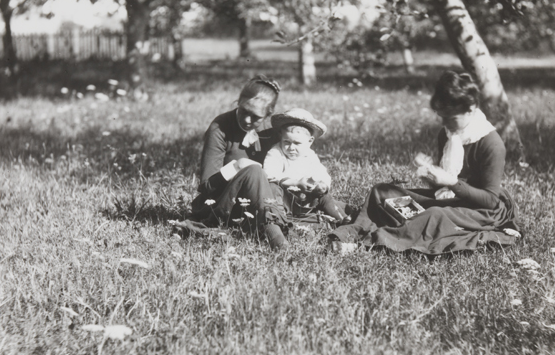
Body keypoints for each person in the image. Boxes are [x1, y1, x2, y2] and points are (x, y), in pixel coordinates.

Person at [329, 71, 521, 255]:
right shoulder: (448, 134)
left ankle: (369, 243)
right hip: (452, 199)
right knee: (382, 192)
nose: (445, 123)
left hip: (481, 211)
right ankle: (355, 231)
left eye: (451, 117)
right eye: (441, 116)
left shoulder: (491, 143)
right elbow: (440, 190)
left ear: (471, 109)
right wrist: (428, 174)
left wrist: (451, 183)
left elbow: (490, 201)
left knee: (434, 215)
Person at [190, 74, 290, 250]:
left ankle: (271, 227)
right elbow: (206, 186)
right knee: (254, 171)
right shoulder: (220, 128)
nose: (247, 120)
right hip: (223, 204)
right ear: (238, 102)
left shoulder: (271, 131)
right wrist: (236, 167)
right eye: (244, 111)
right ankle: (278, 241)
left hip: (262, 203)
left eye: (256, 117)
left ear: (268, 114)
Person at [264, 108, 350, 223]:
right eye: (286, 142)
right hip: (286, 199)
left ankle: (342, 219)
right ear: (281, 137)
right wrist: (295, 183)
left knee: (325, 197)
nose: (291, 148)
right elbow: (269, 174)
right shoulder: (276, 152)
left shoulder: (309, 155)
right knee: (273, 190)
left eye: (297, 143)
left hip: (307, 198)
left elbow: (320, 172)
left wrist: (322, 185)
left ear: (310, 141)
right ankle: (282, 218)